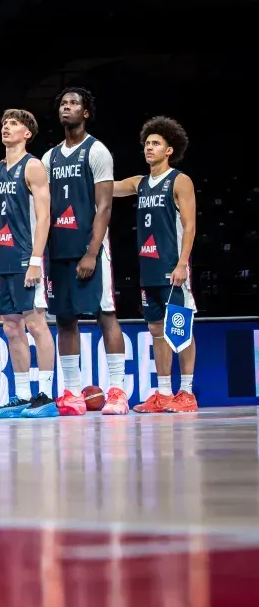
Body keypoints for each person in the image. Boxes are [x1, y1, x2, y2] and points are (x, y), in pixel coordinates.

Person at [0, 110, 59, 419]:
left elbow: (45, 217)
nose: (7, 127)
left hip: (25, 257)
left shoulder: (33, 167)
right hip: (3, 260)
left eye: (14, 124)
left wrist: (35, 260)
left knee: (35, 323)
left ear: (27, 133)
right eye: (4, 123)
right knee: (11, 327)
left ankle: (45, 395)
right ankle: (20, 396)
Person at [43, 88, 128, 415]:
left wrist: (92, 252)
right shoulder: (50, 157)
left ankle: (118, 391)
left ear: (86, 112)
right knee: (66, 320)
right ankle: (72, 392)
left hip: (88, 248)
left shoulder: (97, 151)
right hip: (59, 251)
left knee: (106, 314)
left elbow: (104, 206)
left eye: (74, 103)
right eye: (63, 103)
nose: (67, 107)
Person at [112, 116, 198, 413]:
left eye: (156, 144)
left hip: (173, 268)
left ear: (169, 150)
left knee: (180, 331)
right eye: (147, 143)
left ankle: (186, 392)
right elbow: (109, 188)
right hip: (148, 270)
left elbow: (189, 226)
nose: (149, 148)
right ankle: (163, 393)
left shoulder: (180, 180)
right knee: (156, 330)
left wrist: (182, 263)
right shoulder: (140, 183)